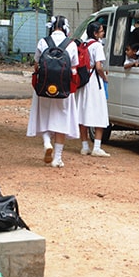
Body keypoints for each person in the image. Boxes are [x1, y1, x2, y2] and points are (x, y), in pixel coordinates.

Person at [26, 15, 79, 168]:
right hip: (63, 89)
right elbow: (74, 67)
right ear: (65, 28)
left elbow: (36, 65)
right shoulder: (71, 44)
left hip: (44, 88)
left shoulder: (43, 42)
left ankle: (47, 141)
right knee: (61, 119)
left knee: (44, 115)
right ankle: (57, 158)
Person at [76, 21, 111, 157]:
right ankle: (97, 146)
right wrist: (105, 77)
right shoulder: (97, 45)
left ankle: (84, 146)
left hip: (83, 81)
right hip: (94, 82)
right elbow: (99, 66)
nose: (103, 33)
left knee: (82, 112)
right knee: (99, 112)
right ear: (96, 33)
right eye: (101, 31)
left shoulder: (84, 44)